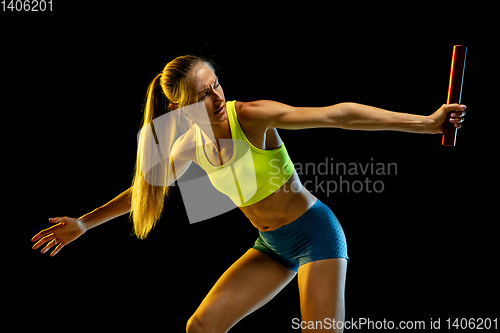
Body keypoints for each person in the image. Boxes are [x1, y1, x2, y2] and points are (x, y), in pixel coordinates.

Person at [31, 55, 466, 333]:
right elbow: (144, 190)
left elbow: (339, 116)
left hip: (316, 233)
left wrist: (426, 123)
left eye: (216, 83)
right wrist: (85, 223)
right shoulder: (188, 146)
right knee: (200, 327)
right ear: (180, 109)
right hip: (271, 246)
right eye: (203, 94)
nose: (216, 96)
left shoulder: (251, 117)